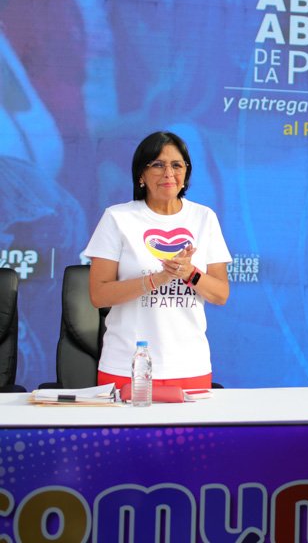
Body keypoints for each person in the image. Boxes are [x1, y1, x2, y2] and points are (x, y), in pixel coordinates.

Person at [84, 131, 232, 390]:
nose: (168, 173)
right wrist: (157, 279)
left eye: (177, 165)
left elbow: (220, 294)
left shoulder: (204, 217)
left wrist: (189, 273)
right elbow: (99, 295)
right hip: (125, 366)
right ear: (141, 174)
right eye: (157, 165)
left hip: (189, 366)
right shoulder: (117, 218)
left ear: (186, 173)